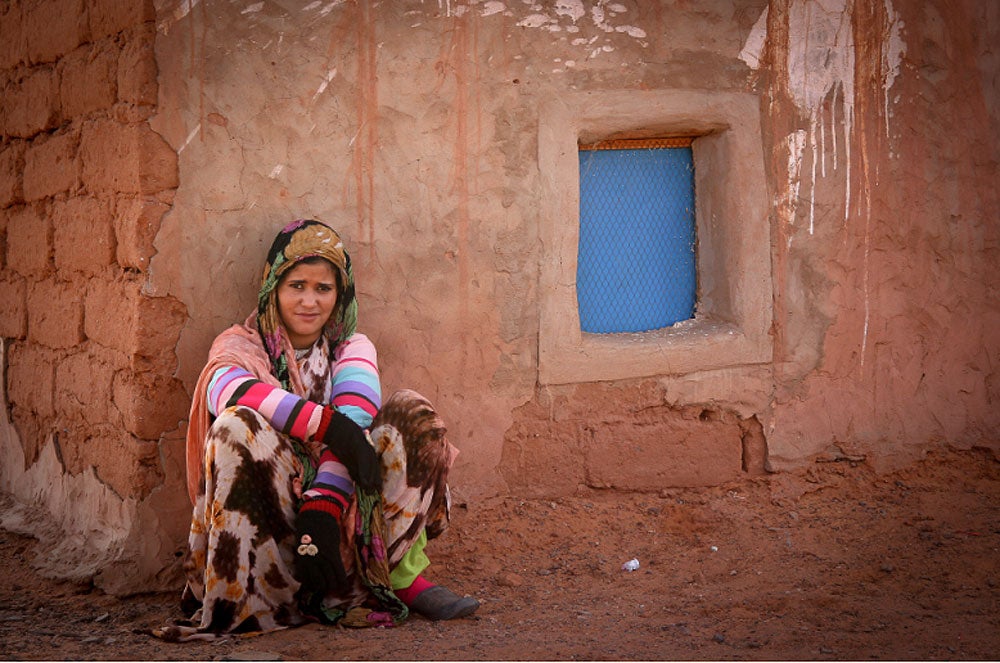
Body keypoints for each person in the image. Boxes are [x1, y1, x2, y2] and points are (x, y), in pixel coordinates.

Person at [154, 219, 478, 641]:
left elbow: (356, 423)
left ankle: (396, 576)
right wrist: (326, 425)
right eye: (297, 286)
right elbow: (228, 392)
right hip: (273, 522)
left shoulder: (352, 347)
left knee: (412, 412)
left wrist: (322, 506)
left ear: (340, 295)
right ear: (274, 288)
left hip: (338, 514)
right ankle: (252, 597)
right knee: (235, 426)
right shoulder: (240, 346)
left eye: (323, 288)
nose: (309, 301)